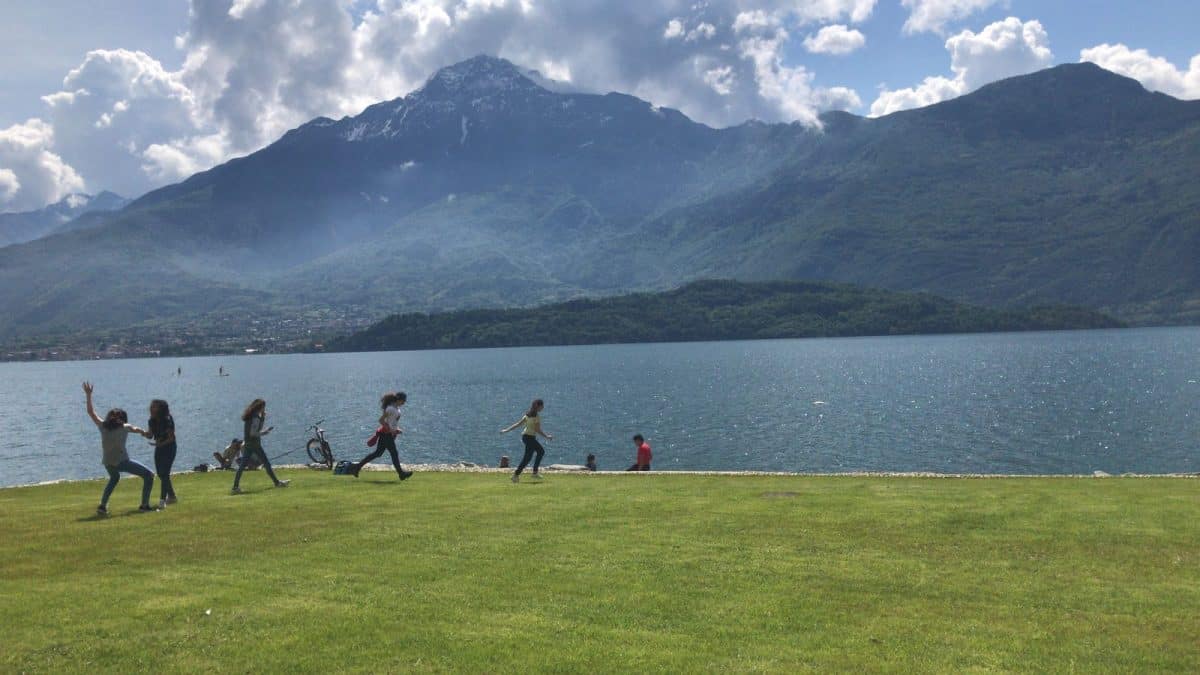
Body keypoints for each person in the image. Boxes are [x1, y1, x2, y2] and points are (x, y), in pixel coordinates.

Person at [83, 382, 155, 515]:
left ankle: (102, 506)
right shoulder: (125, 427)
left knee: (114, 479)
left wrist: (88, 395)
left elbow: (91, 412)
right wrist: (145, 433)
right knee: (149, 476)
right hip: (122, 461)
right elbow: (136, 429)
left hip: (108, 462)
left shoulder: (102, 426)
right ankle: (144, 505)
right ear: (123, 418)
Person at [231, 398, 289, 494]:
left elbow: (256, 428)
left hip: (248, 444)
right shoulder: (255, 418)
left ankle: (235, 487)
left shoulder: (250, 416)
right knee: (266, 463)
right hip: (254, 444)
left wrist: (262, 418)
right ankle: (277, 483)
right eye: (263, 407)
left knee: (242, 466)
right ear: (260, 407)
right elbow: (254, 433)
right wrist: (265, 432)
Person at [352, 392, 413, 480]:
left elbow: (392, 422)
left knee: (378, 453)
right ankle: (401, 474)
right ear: (399, 399)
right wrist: (390, 429)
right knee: (394, 453)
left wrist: (396, 429)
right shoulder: (390, 409)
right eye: (404, 401)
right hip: (386, 434)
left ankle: (357, 467)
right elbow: (381, 420)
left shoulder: (397, 409)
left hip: (388, 434)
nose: (404, 403)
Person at [501, 398, 552, 483]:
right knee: (541, 451)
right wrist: (547, 436)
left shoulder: (527, 415)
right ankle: (534, 473)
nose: (543, 408)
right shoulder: (536, 416)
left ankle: (516, 476)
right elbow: (537, 430)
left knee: (527, 458)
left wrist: (506, 430)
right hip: (530, 438)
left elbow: (517, 424)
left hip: (525, 437)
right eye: (542, 406)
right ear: (539, 406)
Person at [143, 399, 178, 508]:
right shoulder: (151, 421)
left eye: (154, 406)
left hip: (169, 448)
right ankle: (172, 496)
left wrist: (160, 444)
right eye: (151, 406)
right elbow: (150, 435)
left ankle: (162, 502)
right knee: (160, 474)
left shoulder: (167, 420)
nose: (151, 408)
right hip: (159, 448)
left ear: (161, 409)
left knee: (165, 473)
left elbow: (172, 438)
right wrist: (142, 432)